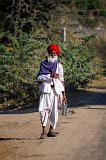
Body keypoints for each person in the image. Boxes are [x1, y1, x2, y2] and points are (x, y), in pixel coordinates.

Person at [37, 44, 66, 139]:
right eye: (51, 53)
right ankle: (43, 131)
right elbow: (39, 78)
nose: (53, 54)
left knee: (55, 110)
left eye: (55, 53)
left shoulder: (59, 65)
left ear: (57, 54)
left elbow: (62, 80)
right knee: (44, 110)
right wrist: (50, 75)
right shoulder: (43, 64)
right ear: (49, 53)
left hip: (56, 91)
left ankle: (51, 130)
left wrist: (64, 94)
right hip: (46, 90)